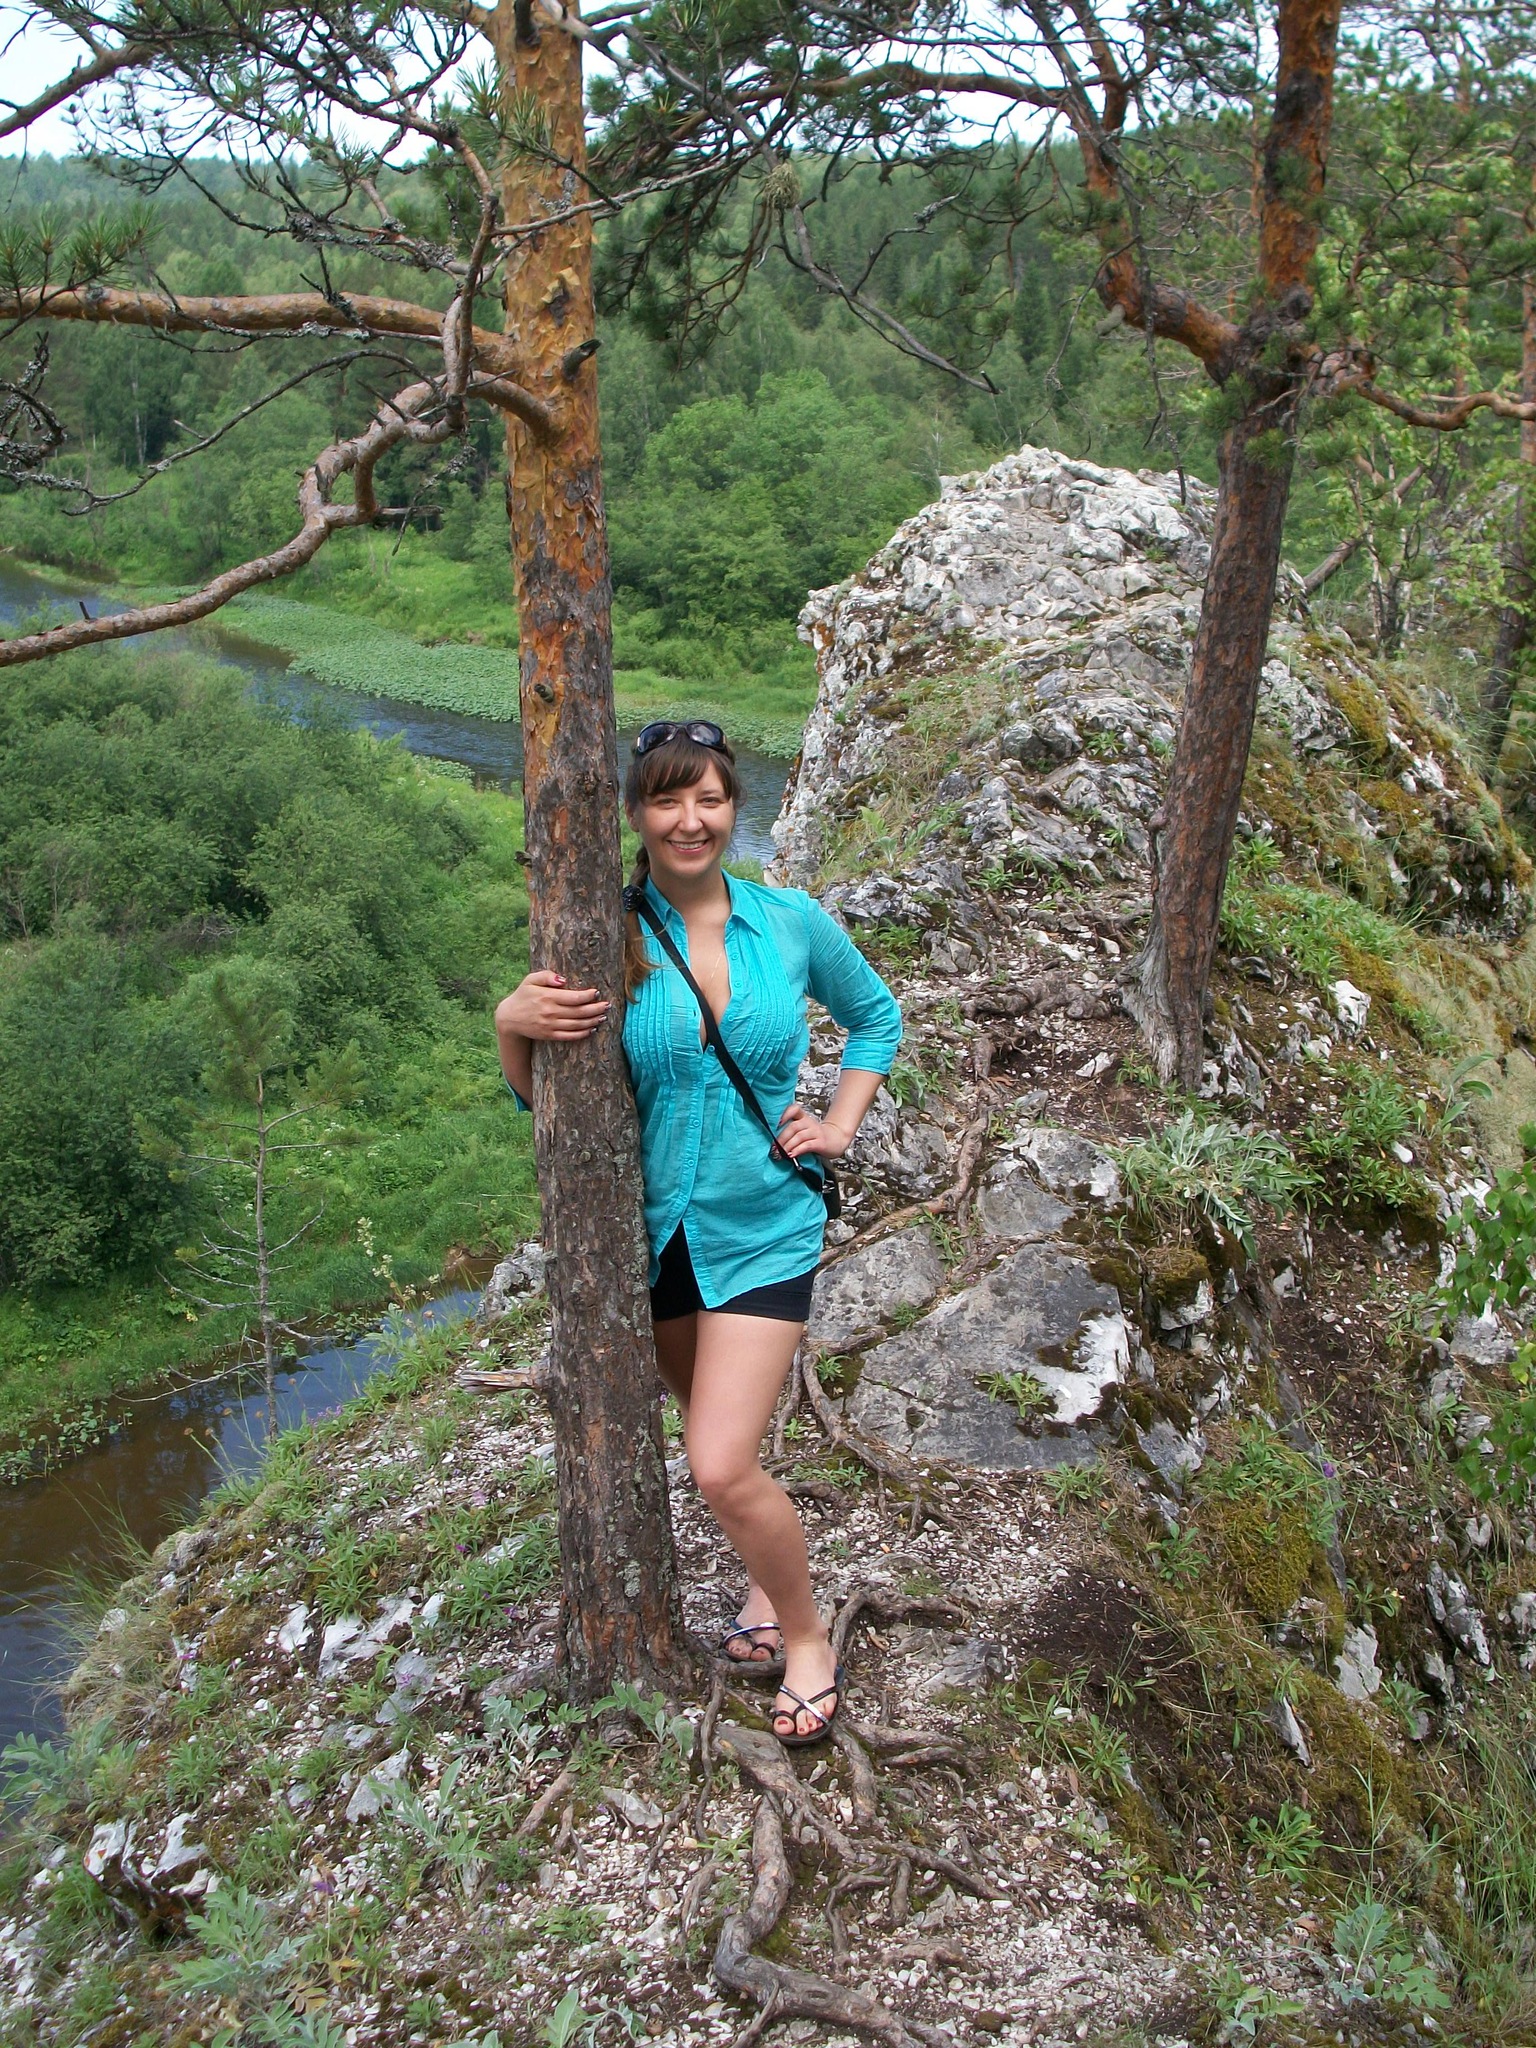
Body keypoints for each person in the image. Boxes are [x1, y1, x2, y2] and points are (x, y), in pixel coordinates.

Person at [495, 719, 901, 1745]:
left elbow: (877, 1017)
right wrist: (511, 1028)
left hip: (765, 1220)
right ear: (635, 814)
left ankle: (806, 1638)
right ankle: (766, 1582)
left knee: (716, 1462)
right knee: (724, 1438)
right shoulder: (605, 933)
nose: (690, 819)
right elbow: (550, 1101)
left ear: (733, 808)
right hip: (652, 1239)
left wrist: (839, 1124)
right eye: (667, 799)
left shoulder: (789, 921)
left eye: (710, 798)